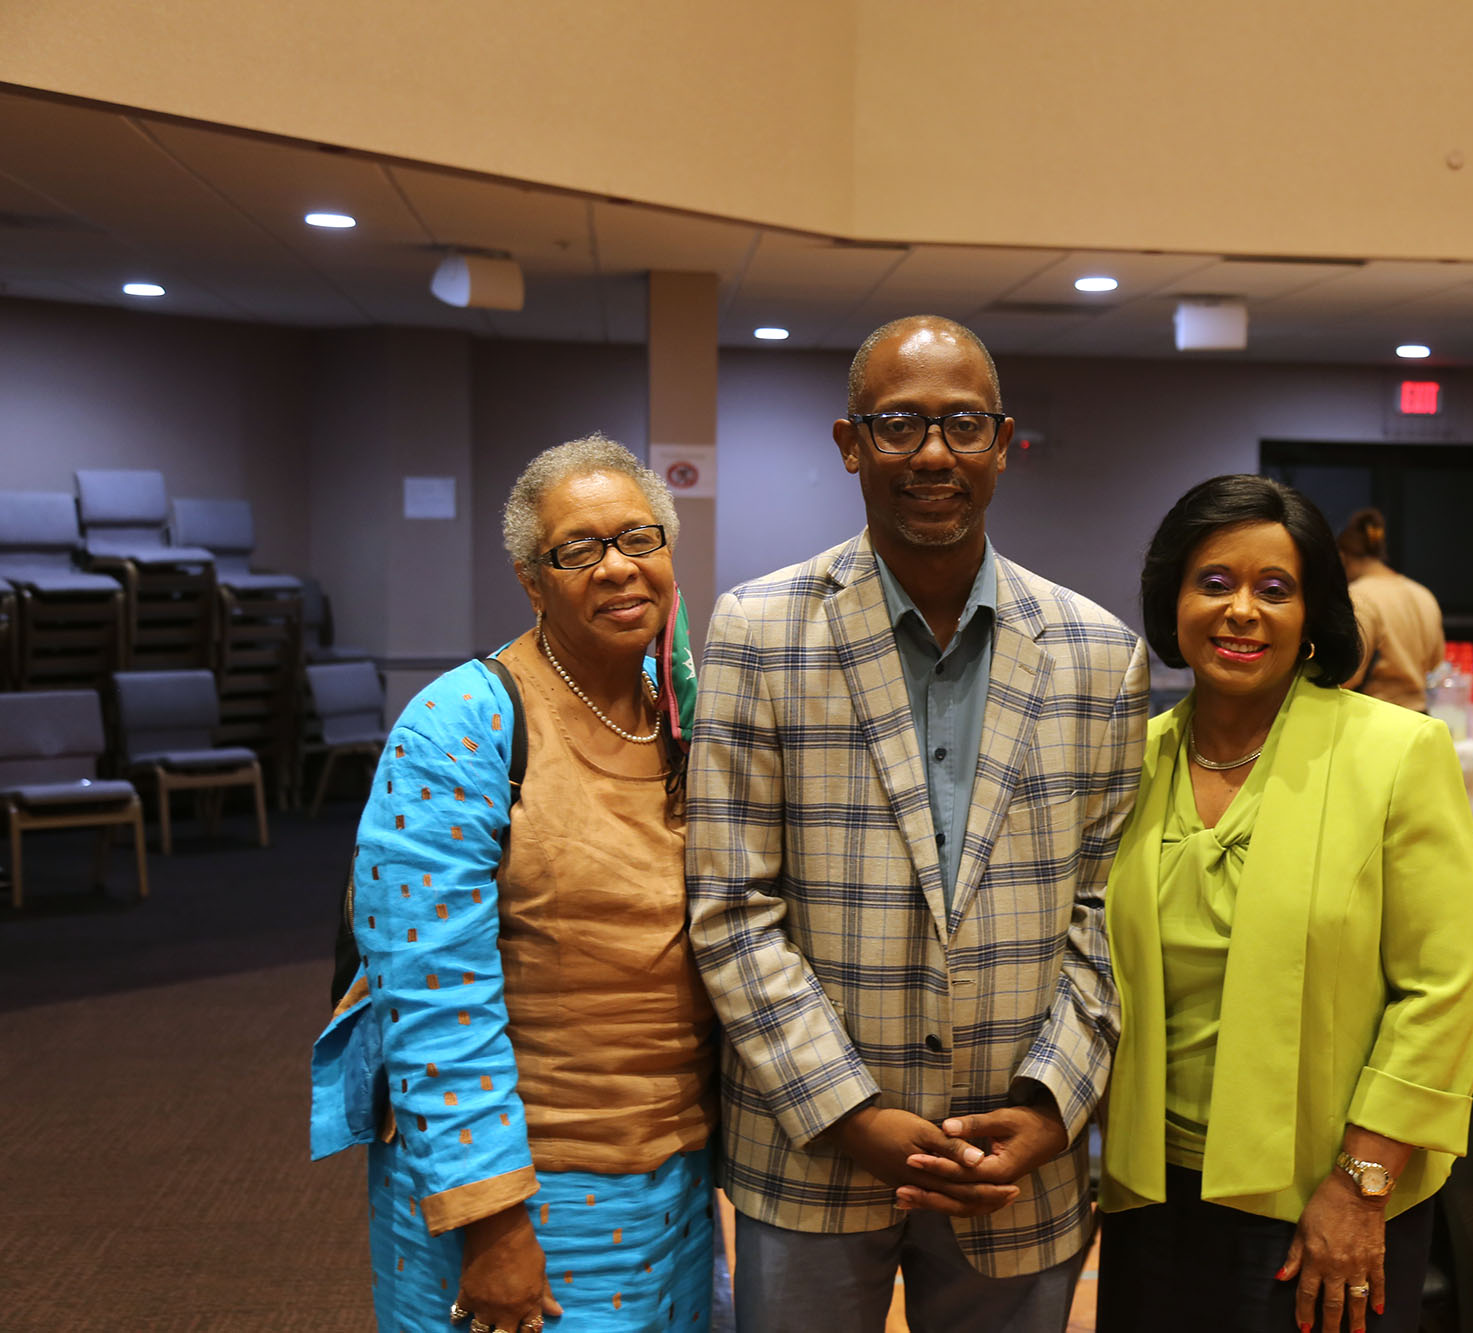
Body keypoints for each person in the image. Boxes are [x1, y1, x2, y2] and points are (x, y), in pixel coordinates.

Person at [685, 316, 1148, 1332]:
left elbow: (1112, 911)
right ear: (850, 445)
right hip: (810, 1150)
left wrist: (1044, 1110)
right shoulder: (756, 630)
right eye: (897, 425)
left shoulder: (1098, 653)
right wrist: (853, 1117)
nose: (931, 453)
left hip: (1015, 1162)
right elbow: (729, 906)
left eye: (961, 424)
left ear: (1001, 441)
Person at [310, 436, 714, 1333]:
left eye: (639, 538)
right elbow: (431, 1000)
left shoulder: (679, 718)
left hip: (673, 1184)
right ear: (533, 581)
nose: (618, 568)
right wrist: (493, 1225)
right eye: (579, 549)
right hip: (527, 1189)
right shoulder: (463, 724)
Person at [1096, 475, 1473, 1333]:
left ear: (1313, 613)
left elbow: (1447, 985)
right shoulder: (1131, 761)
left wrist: (1361, 1185)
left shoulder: (1396, 753)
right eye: (1215, 583)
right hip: (1151, 1191)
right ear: (1175, 601)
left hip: (1325, 1196)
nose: (1242, 610)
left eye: (1274, 589)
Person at [1336, 506, 1445, 712]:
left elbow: (1350, 675)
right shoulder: (1423, 594)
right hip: (1421, 716)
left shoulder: (1359, 597)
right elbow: (1436, 663)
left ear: (1342, 557)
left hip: (1376, 717)